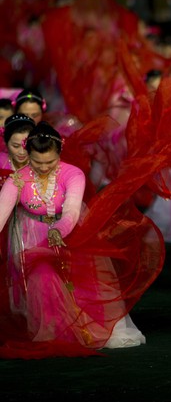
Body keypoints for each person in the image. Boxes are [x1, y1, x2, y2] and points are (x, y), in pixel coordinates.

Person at [0, 121, 148, 358]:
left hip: (73, 235)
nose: (44, 167)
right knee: (43, 278)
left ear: (59, 152)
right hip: (34, 239)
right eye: (37, 163)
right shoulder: (17, 179)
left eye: (50, 162)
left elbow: (71, 211)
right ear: (28, 155)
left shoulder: (72, 174)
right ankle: (55, 334)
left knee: (82, 285)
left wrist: (58, 230)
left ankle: (86, 330)